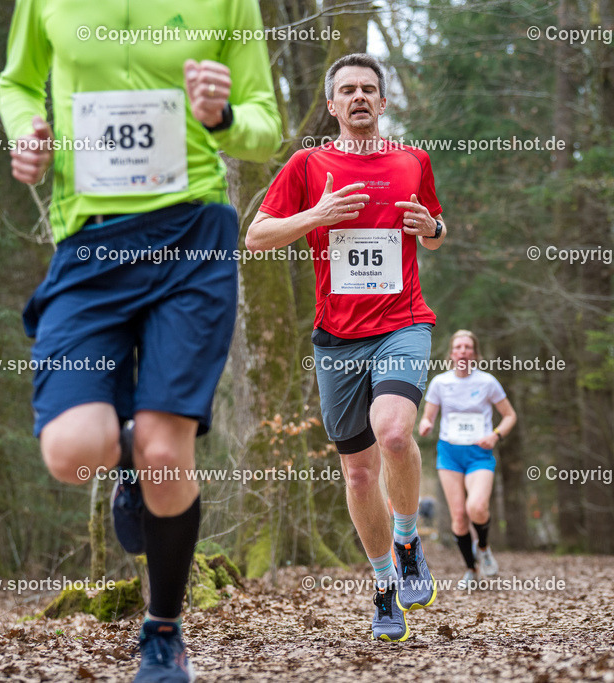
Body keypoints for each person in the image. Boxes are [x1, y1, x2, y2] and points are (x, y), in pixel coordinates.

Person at [0, 2, 280, 680]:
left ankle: (163, 630)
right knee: (72, 451)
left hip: (191, 242)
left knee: (164, 447)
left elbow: (265, 127)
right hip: (89, 242)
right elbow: (14, 80)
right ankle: (126, 462)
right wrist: (26, 134)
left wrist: (224, 118)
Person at [246, 53, 447, 642]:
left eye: (369, 89)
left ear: (383, 103)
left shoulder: (414, 160)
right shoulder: (308, 164)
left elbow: (437, 230)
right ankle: (384, 582)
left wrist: (429, 228)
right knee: (359, 475)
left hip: (402, 322)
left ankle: (408, 541)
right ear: (332, 105)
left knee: (393, 433)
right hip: (336, 339)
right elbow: (255, 237)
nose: (359, 97)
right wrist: (317, 215)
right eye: (348, 90)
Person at [418, 330, 517, 587]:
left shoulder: (487, 382)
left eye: (468, 347)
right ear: (451, 354)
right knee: (460, 516)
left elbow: (509, 416)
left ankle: (483, 548)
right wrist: (426, 424)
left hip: (479, 453)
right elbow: (428, 416)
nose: (463, 351)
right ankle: (471, 570)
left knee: (477, 507)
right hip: (450, 453)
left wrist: (495, 436)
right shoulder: (440, 383)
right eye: (458, 347)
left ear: (475, 353)